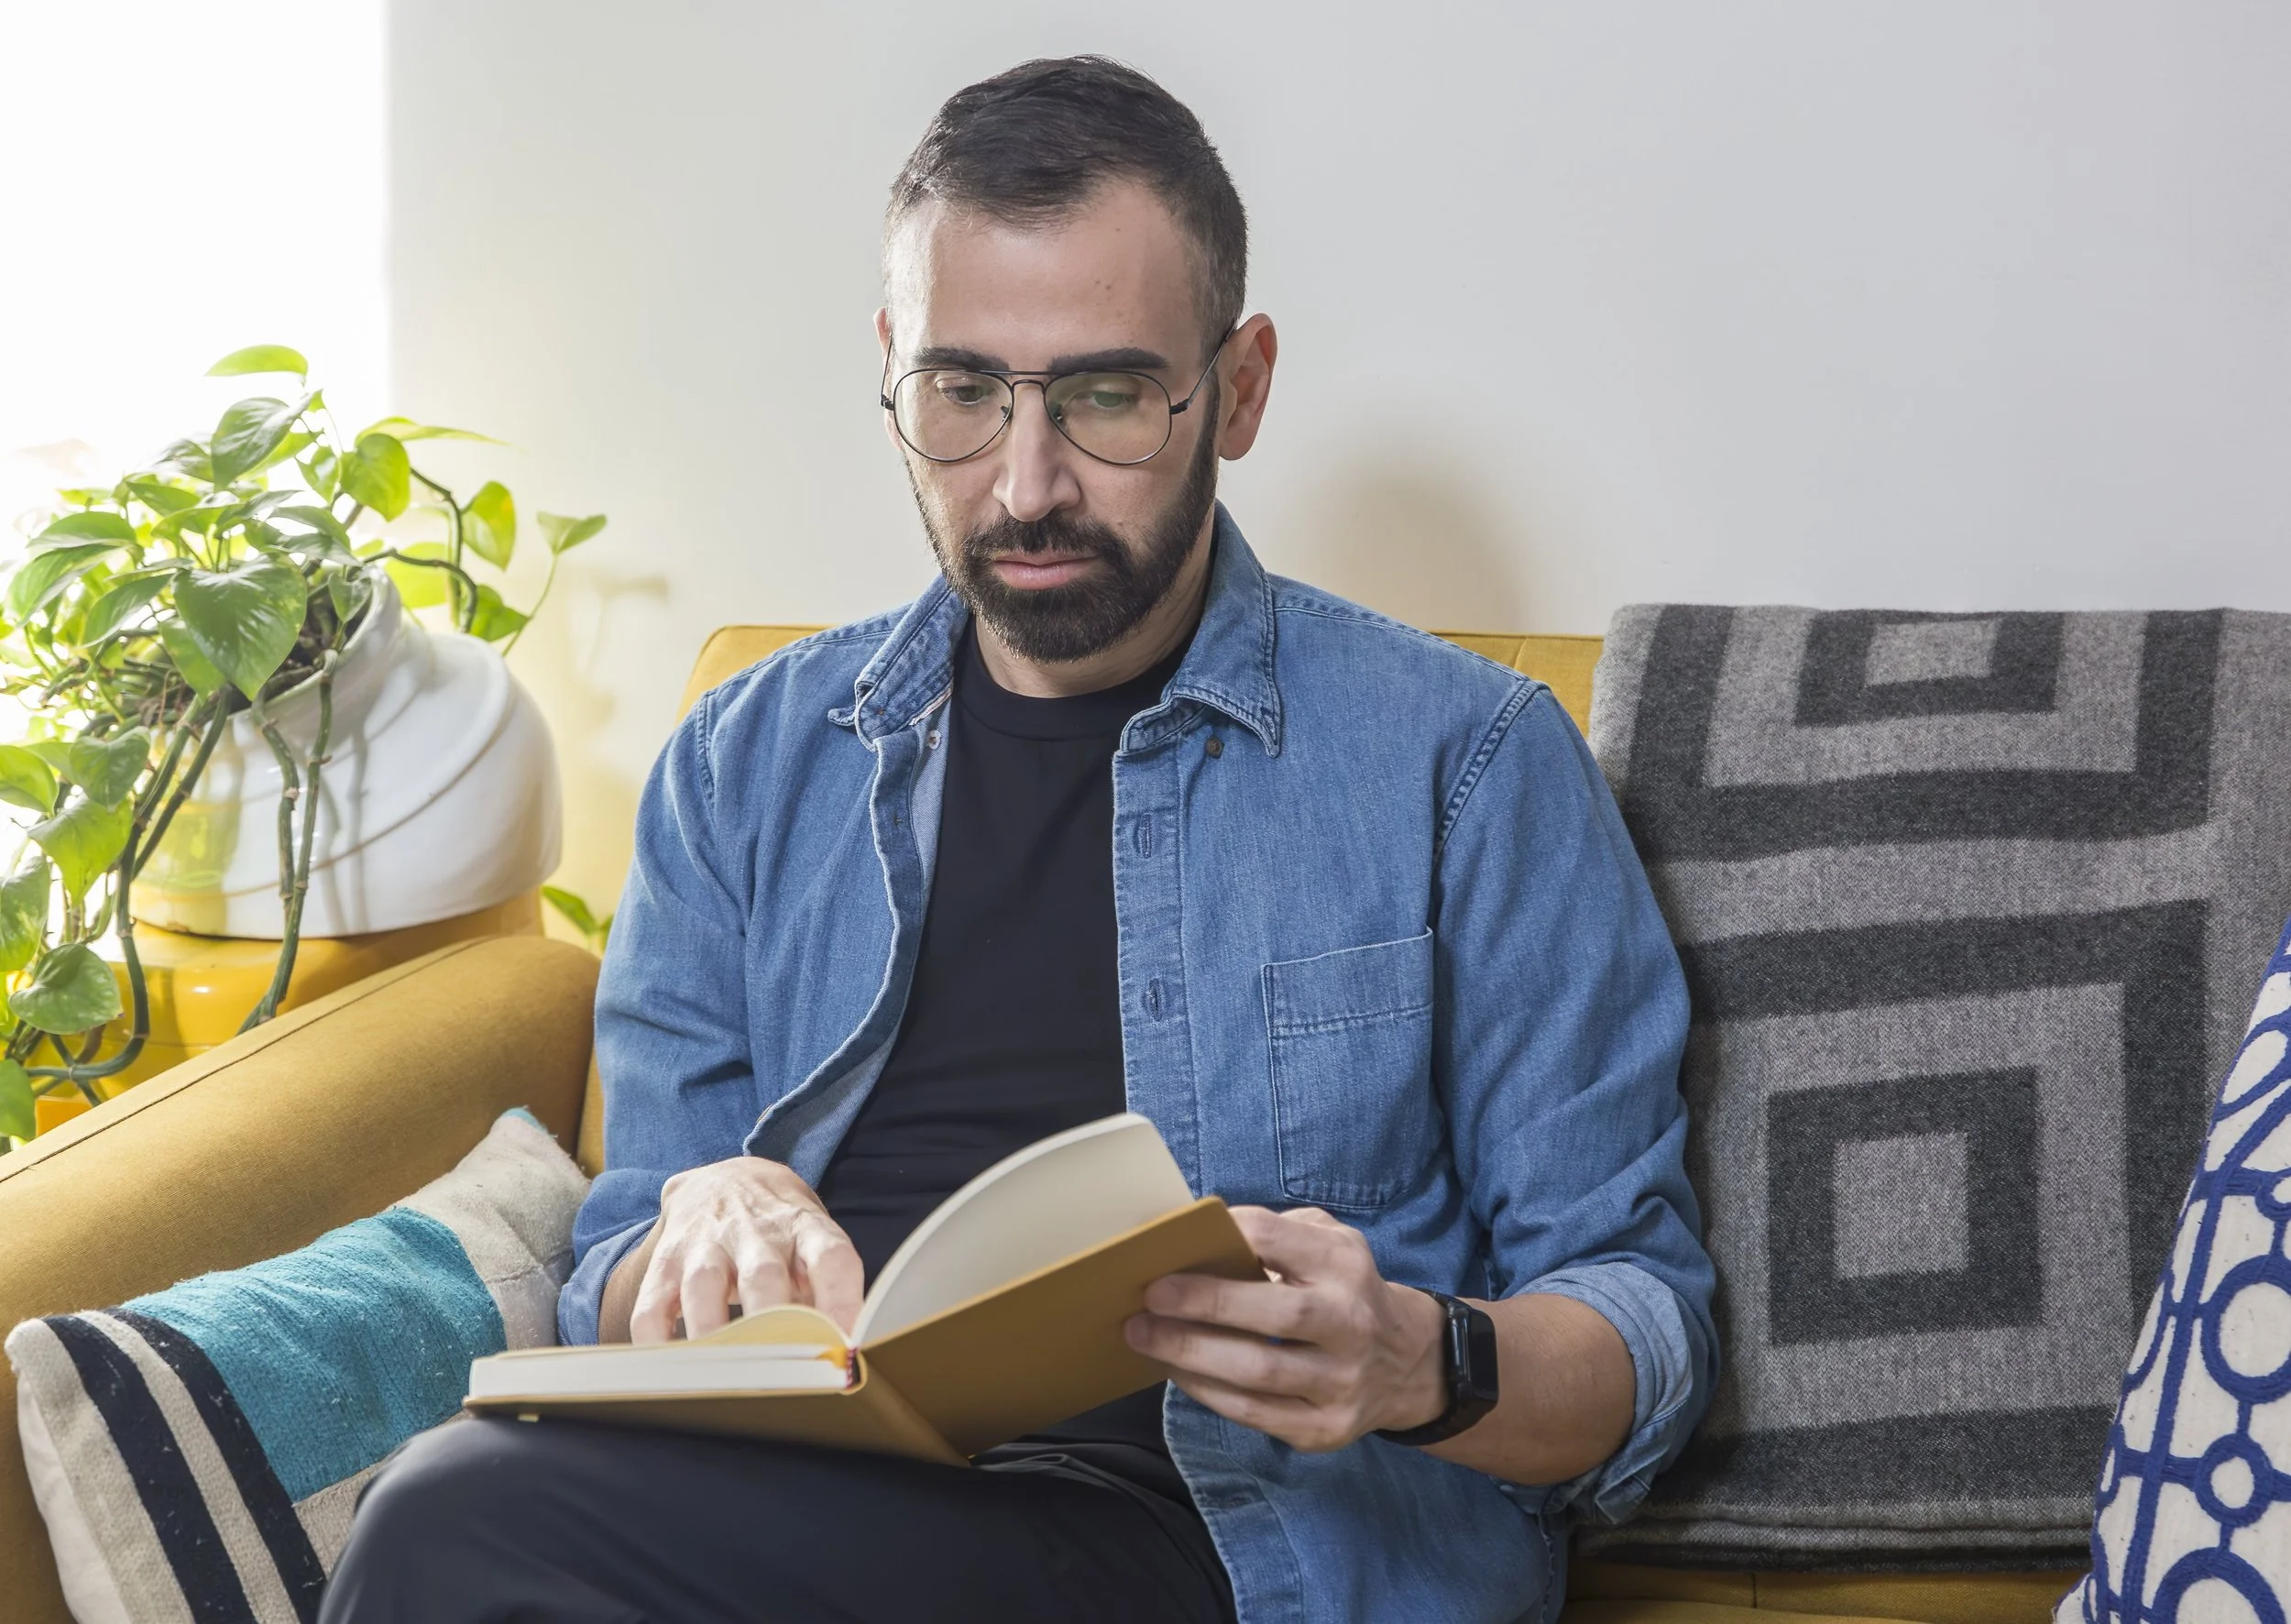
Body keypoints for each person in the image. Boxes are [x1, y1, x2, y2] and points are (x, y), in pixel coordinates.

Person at [320, 55, 1716, 1624]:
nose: (1026, 484)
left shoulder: (1468, 762)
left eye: (1107, 396)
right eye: (964, 393)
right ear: (893, 370)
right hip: (802, 1507)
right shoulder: (742, 761)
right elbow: (619, 1266)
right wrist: (694, 1224)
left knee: (451, 1527)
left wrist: (1423, 1359)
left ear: (1240, 388)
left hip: (1230, 1545)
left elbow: (1640, 1322)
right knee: (458, 1501)